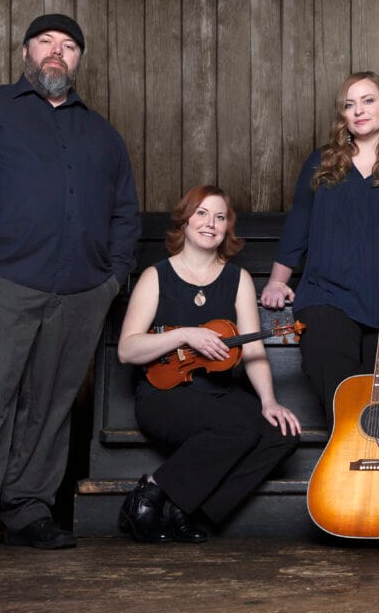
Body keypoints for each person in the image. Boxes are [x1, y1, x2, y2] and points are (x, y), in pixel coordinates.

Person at [0, 14, 140, 561]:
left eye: (68, 46)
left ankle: (27, 508)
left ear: (78, 59)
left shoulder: (103, 134)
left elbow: (125, 212)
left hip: (83, 291)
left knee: (51, 404)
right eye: (47, 41)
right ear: (25, 51)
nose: (57, 52)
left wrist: (112, 277)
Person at [260, 71, 379, 424]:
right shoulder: (320, 163)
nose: (359, 111)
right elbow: (297, 226)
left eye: (368, 101)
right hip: (330, 294)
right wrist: (277, 280)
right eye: (349, 105)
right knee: (344, 399)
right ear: (342, 116)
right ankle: (347, 465)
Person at [116, 185, 301, 543]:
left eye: (219, 217)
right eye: (201, 213)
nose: (210, 223)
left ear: (226, 228)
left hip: (218, 393)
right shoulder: (156, 277)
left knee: (282, 434)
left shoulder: (238, 279)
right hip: (164, 395)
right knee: (237, 430)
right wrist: (185, 334)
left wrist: (268, 401)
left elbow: (253, 350)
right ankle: (149, 492)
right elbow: (127, 350)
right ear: (184, 221)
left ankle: (187, 509)